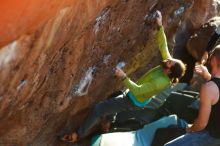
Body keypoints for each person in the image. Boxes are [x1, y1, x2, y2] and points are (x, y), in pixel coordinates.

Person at [60, 10, 186, 143]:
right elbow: (163, 46)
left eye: (170, 62)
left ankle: (78, 135)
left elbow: (137, 90)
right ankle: (107, 125)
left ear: (169, 71)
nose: (167, 59)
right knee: (114, 97)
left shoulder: (160, 82)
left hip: (132, 100)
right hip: (133, 97)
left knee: (98, 109)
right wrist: (160, 26)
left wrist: (123, 76)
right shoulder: (166, 67)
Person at [164, 45, 220, 146]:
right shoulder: (212, 86)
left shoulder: (208, 88)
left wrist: (189, 128)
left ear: (214, 60)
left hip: (211, 136)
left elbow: (201, 124)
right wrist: (208, 76)